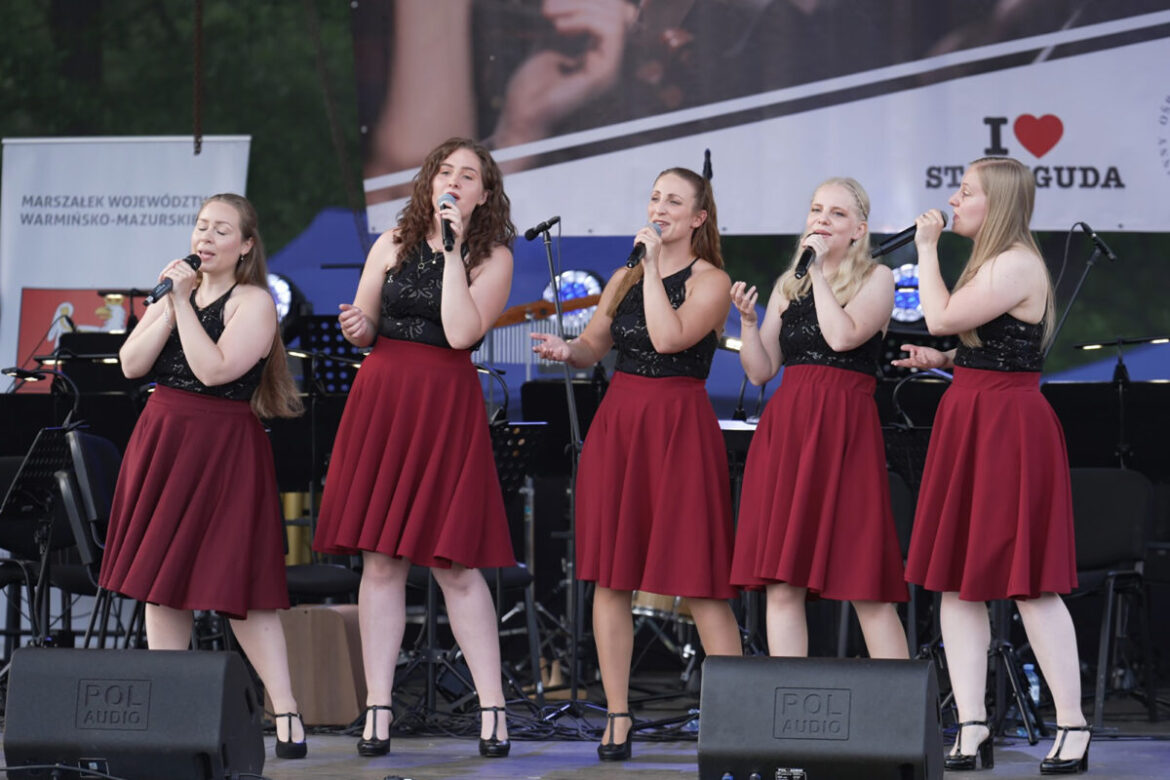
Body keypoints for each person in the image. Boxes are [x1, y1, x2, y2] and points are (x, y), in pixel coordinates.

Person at [312, 138, 517, 759]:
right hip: (383, 397)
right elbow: (368, 325)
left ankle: (493, 708)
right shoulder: (391, 244)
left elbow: (459, 332)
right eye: (445, 171)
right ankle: (378, 705)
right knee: (380, 561)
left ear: (484, 194)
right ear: (430, 181)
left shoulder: (495, 258)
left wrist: (454, 253)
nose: (454, 181)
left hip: (443, 404)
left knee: (454, 563)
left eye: (468, 175)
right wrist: (358, 328)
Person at [532, 166, 743, 761]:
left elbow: (671, 336)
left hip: (677, 425)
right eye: (655, 197)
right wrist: (566, 350)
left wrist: (650, 268)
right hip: (621, 422)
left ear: (698, 218)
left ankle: (742, 716)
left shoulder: (712, 280)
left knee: (699, 580)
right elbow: (595, 345)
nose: (660, 207)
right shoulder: (626, 273)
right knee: (611, 574)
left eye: (673, 200)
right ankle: (618, 716)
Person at [896, 157, 1088, 774]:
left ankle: (1074, 727)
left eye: (965, 192)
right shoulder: (993, 263)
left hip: (1006, 428)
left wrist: (926, 250)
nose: (953, 200)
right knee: (955, 578)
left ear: (996, 203)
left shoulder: (1016, 262)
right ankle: (972, 726)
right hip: (972, 414)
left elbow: (942, 314)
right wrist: (947, 360)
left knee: (1028, 582)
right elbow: (991, 345)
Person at [99, 193, 308, 760]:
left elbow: (214, 371)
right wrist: (169, 303)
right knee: (161, 586)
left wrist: (184, 306)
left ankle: (285, 711)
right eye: (200, 227)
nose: (205, 238)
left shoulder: (255, 301)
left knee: (238, 589)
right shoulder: (178, 295)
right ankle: (171, 714)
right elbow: (131, 363)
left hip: (222, 449)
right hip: (164, 440)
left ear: (245, 246)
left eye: (221, 230)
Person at [728, 178, 909, 660]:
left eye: (836, 214)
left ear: (858, 230)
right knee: (782, 582)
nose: (822, 220)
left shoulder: (878, 278)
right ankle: (792, 717)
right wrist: (749, 324)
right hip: (789, 428)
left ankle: (902, 721)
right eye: (816, 210)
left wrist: (821, 275)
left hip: (844, 427)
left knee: (864, 581)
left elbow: (843, 337)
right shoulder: (788, 284)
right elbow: (761, 370)